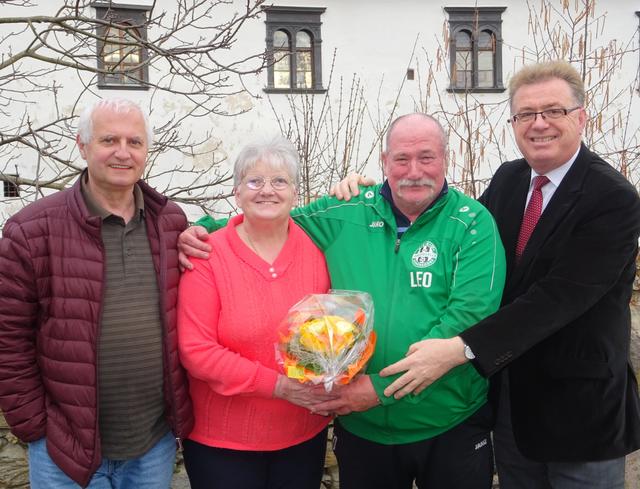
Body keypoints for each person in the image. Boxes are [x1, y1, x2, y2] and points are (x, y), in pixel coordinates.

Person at [178, 113, 507, 489]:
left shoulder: (472, 222)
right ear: (384, 162)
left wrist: (380, 391)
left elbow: (468, 318)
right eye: (401, 158)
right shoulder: (347, 210)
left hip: (448, 421)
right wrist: (200, 229)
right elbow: (271, 216)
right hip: (362, 430)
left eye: (426, 157)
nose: (413, 170)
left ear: (445, 159)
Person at [356, 61, 640, 489]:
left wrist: (460, 348)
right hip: (512, 406)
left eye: (553, 111)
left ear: (580, 117)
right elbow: (458, 236)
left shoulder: (613, 198)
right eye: (526, 114)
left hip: (580, 412)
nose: (538, 124)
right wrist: (375, 194)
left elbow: (557, 298)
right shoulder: (509, 178)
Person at [0, 98, 194, 488]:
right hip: (63, 449)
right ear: (82, 145)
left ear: (146, 151)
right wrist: (35, 426)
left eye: (135, 142)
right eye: (109, 139)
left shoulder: (171, 223)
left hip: (152, 446)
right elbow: (8, 339)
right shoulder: (31, 230)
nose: (123, 152)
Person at [176, 137, 337, 489]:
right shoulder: (207, 255)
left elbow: (332, 331)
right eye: (255, 181)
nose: (267, 190)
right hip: (223, 444)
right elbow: (196, 351)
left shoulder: (317, 252)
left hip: (302, 435)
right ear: (237, 192)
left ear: (295, 192)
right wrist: (278, 386)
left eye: (279, 181)